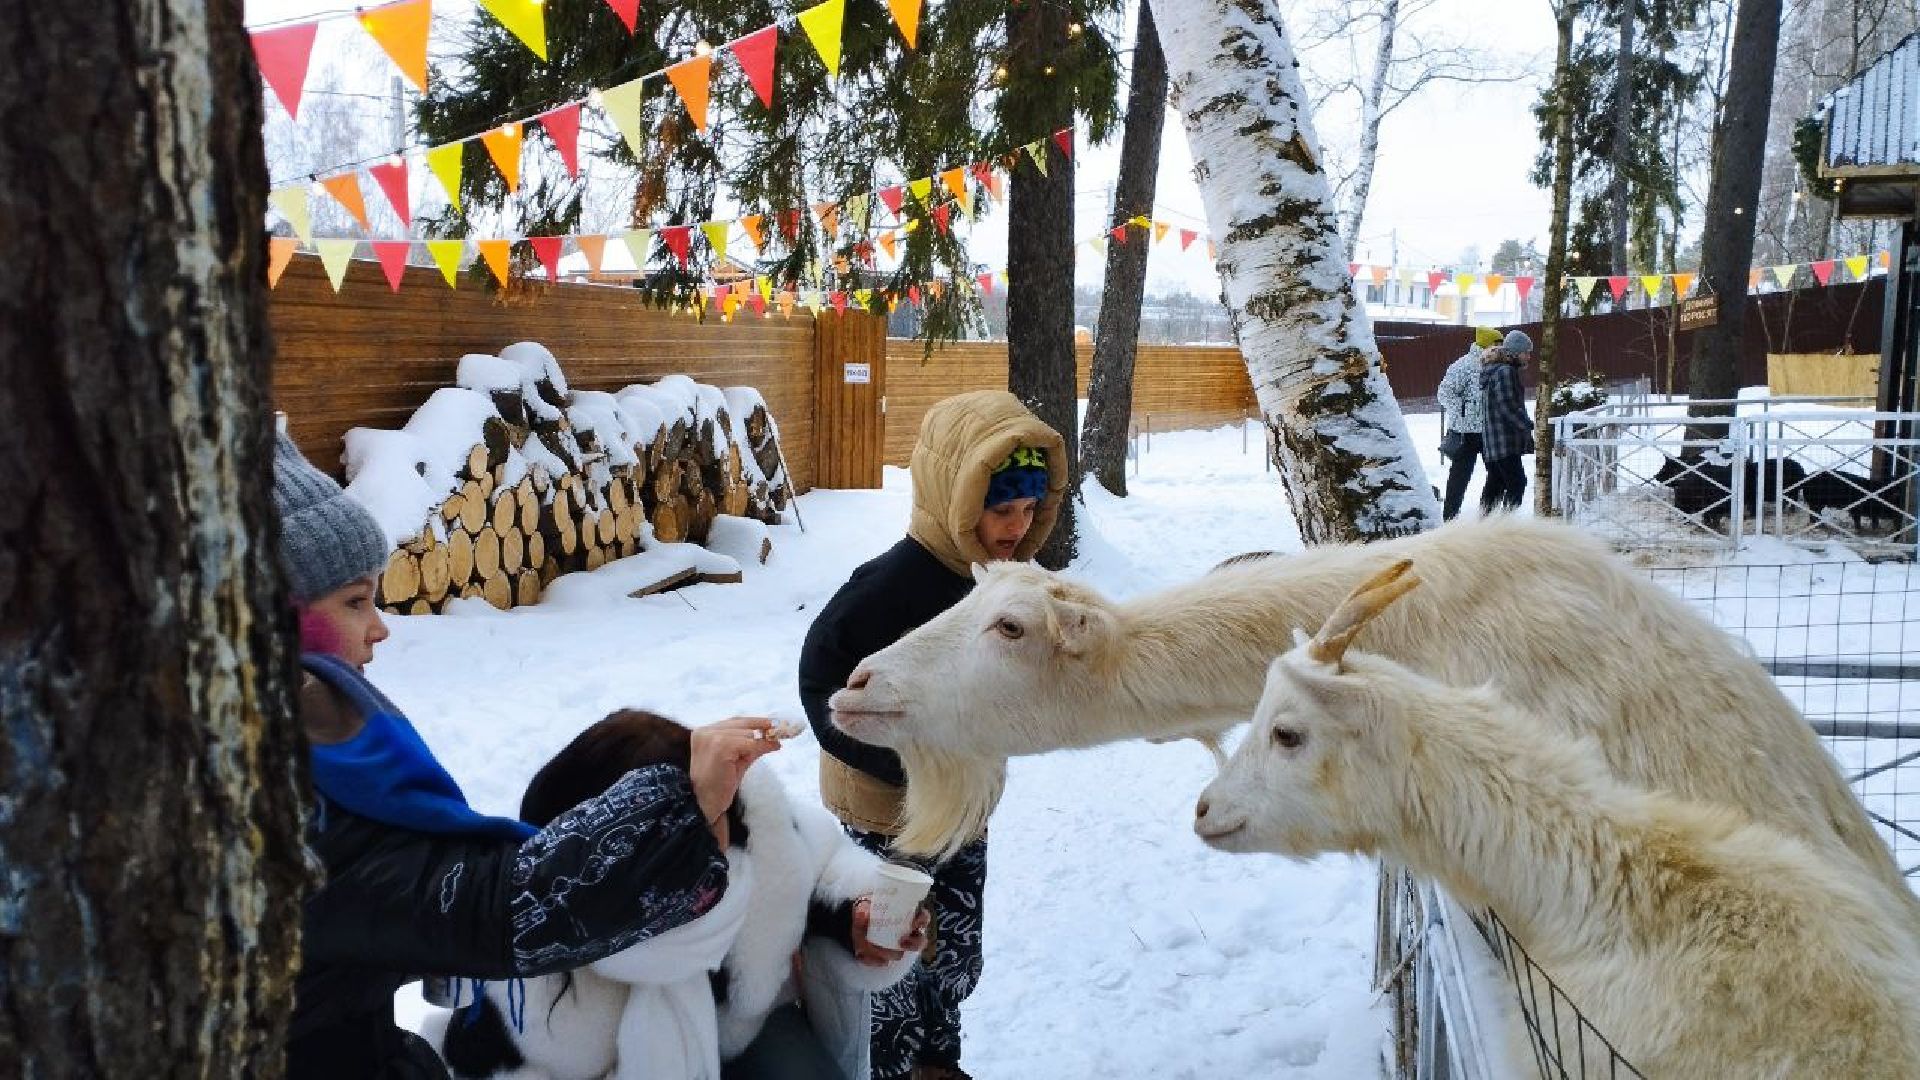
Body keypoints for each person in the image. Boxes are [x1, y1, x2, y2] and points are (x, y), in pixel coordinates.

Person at [274, 432, 780, 1079]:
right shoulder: (289, 802)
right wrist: (688, 804)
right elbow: (499, 906)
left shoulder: (309, 762)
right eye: (353, 601)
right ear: (266, 615)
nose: (380, 627)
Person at [429, 709, 933, 1080]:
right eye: (692, 826)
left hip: (743, 1030)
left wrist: (855, 919)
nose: (714, 841)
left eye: (716, 813)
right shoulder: (539, 961)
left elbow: (819, 879)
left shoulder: (758, 830)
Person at [798, 390, 1066, 1080]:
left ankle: (938, 1060)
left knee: (954, 951)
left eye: (1029, 509)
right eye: (1001, 507)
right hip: (887, 820)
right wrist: (910, 761)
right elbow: (820, 680)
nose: (1017, 525)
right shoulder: (888, 587)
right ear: (958, 494)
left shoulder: (1001, 588)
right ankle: (887, 1068)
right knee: (891, 956)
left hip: (964, 817)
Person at [1436, 325, 1502, 520]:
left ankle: (1487, 516)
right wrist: (1464, 412)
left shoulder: (1497, 367)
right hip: (1465, 433)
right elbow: (1444, 393)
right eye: (1497, 345)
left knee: (1498, 474)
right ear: (1486, 345)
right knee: (1459, 477)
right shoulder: (1463, 366)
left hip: (1489, 432)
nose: (1501, 349)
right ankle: (1449, 518)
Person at [1478, 330, 1536, 513]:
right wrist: (1528, 426)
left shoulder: (1497, 370)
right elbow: (1508, 407)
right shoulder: (1505, 372)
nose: (1528, 357)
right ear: (1515, 352)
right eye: (1526, 352)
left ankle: (1485, 526)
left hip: (1494, 441)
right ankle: (1504, 527)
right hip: (1504, 442)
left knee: (1496, 483)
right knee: (1517, 483)